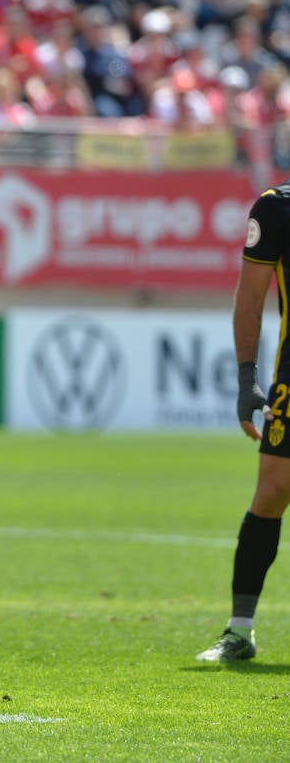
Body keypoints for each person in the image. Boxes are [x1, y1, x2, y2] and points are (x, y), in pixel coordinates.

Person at [197, 180, 290, 662]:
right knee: (272, 491)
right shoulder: (277, 208)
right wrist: (246, 378)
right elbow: (250, 297)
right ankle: (240, 629)